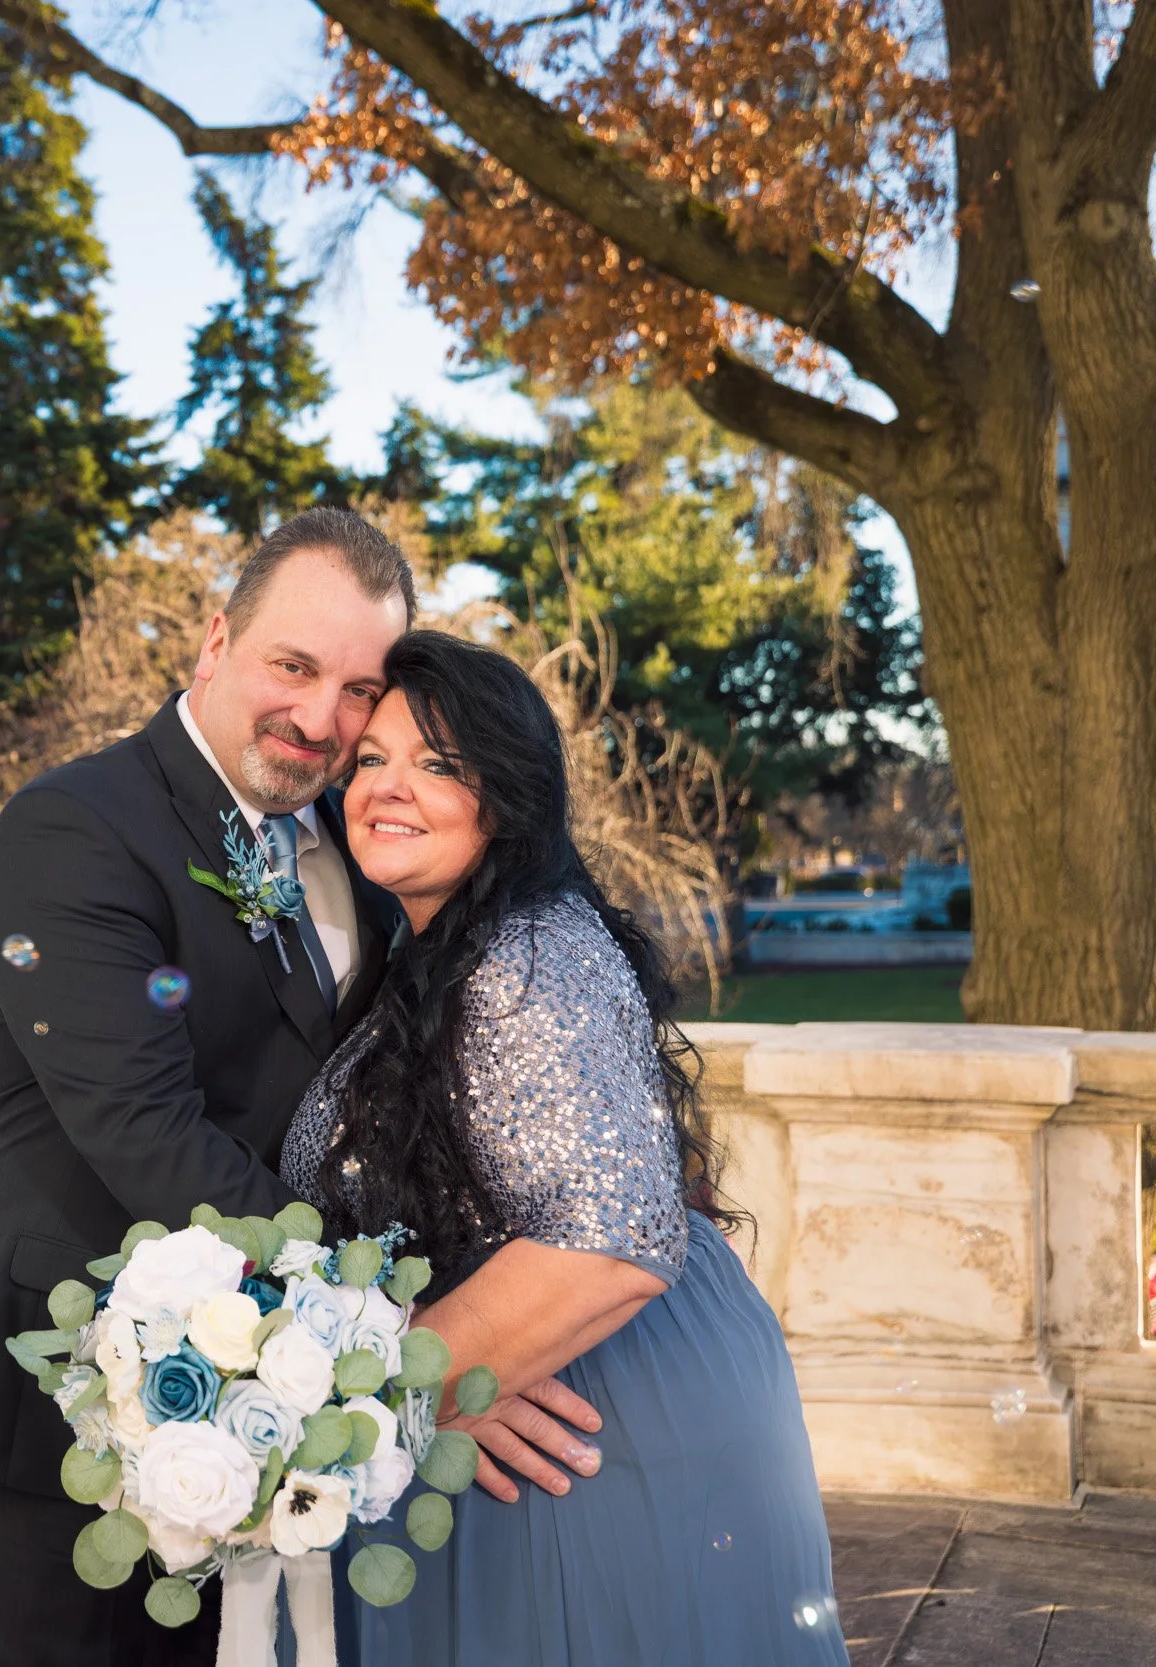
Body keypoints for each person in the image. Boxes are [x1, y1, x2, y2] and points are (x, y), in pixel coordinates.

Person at [0, 511, 596, 1667]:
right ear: (215, 642)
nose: (321, 717)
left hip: (283, 1392)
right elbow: (147, 1135)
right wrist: (397, 1337)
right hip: (69, 1389)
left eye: (360, 687)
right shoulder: (73, 828)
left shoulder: (353, 833)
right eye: (293, 665)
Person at [278, 631, 848, 1667]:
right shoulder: (428, 953)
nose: (387, 787)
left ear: (504, 795)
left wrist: (399, 1387)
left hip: (586, 1411)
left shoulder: (531, 947)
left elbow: (609, 1241)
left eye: (438, 763)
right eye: (371, 760)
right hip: (499, 1368)